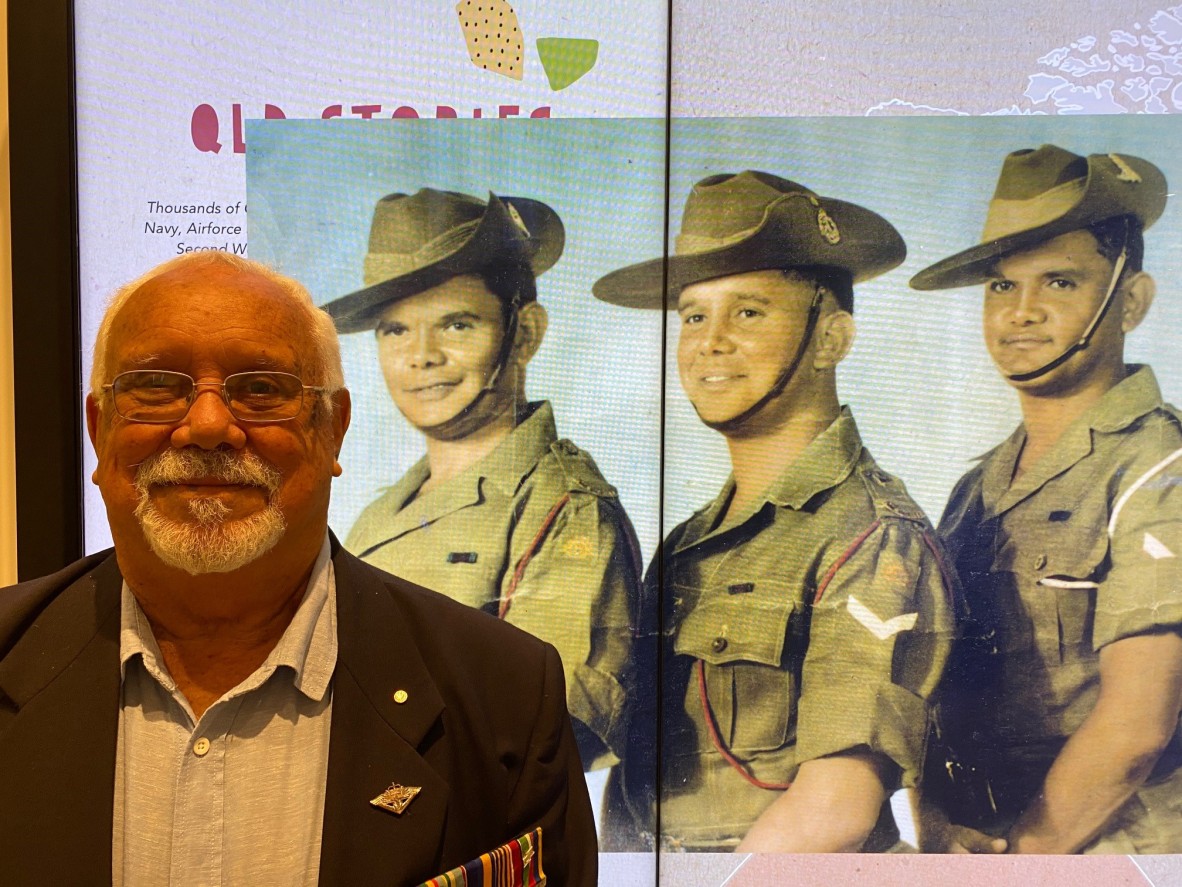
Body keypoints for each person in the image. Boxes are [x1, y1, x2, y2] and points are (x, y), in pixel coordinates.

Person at [0, 252, 596, 885]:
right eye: (157, 385)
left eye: (260, 389)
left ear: (332, 430)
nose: (206, 426)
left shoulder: (504, 696)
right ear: (100, 430)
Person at [593, 170, 956, 852]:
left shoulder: (871, 534)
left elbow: (837, 805)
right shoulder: (692, 541)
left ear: (831, 340)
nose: (710, 341)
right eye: (694, 315)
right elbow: (634, 782)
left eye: (749, 311)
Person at [912, 144, 1182, 854]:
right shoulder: (977, 488)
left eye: (1058, 282)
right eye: (1001, 287)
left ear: (1131, 300)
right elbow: (932, 697)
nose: (1020, 313)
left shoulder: (1161, 467)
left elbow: (1135, 731)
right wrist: (937, 827)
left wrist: (1019, 862)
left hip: (1119, 849)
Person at [321, 188, 641, 776]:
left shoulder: (564, 508)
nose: (422, 356)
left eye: (457, 324)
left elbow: (548, 735)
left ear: (524, 333)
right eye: (395, 331)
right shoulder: (376, 518)